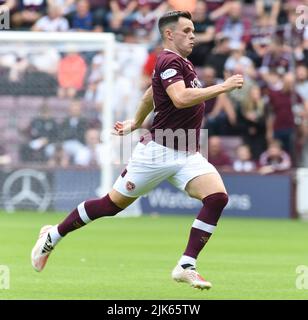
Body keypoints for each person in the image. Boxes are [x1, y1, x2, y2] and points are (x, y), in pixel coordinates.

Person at [31, 11, 243, 290]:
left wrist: (135, 121)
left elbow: (150, 94)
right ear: (170, 34)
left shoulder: (181, 63)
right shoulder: (168, 59)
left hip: (187, 153)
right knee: (109, 205)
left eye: (193, 31)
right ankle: (53, 235)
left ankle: (186, 264)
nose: (193, 35)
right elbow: (179, 99)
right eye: (187, 30)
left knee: (216, 198)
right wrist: (223, 87)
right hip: (157, 152)